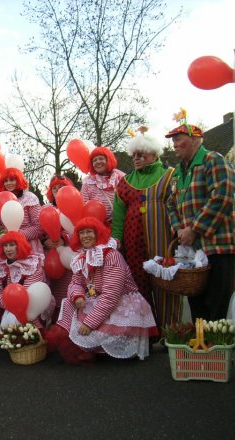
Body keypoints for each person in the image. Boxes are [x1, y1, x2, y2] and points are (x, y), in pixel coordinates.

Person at [46, 217, 158, 366]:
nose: (85, 236)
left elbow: (111, 295)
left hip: (121, 302)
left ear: (98, 233)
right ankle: (85, 346)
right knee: (68, 303)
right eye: (81, 233)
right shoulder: (83, 257)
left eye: (89, 232)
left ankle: (103, 348)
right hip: (97, 298)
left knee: (97, 325)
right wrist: (77, 296)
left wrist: (89, 323)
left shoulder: (112, 256)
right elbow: (75, 282)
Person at [165, 122, 235, 321]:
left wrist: (194, 229)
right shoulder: (177, 173)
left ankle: (215, 342)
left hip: (217, 249)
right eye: (173, 140)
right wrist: (179, 229)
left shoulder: (213, 160)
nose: (174, 144)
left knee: (216, 309)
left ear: (195, 140)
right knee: (197, 310)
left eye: (178, 139)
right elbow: (170, 204)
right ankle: (200, 341)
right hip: (192, 252)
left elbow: (222, 196)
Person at [111, 129, 180, 331]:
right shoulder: (125, 182)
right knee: (139, 284)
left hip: (162, 237)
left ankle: (170, 331)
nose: (136, 159)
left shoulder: (170, 175)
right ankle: (146, 333)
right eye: (133, 155)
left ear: (153, 154)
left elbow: (178, 205)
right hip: (133, 241)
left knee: (165, 281)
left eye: (141, 154)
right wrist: (116, 238)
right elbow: (119, 214)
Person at [0, 231, 54, 328]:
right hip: (11, 306)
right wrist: (10, 306)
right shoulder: (0, 264)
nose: (8, 249)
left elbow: (29, 296)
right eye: (5, 245)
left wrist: (14, 308)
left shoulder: (32, 264)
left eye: (12, 245)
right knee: (10, 323)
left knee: (16, 322)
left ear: (20, 245)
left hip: (33, 307)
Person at [43, 174, 75, 321]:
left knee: (69, 290)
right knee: (55, 290)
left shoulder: (74, 207)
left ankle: (70, 322)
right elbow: (41, 232)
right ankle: (56, 321)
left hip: (69, 255)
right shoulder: (47, 209)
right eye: (54, 188)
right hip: (52, 258)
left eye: (60, 186)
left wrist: (64, 239)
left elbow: (79, 230)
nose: (57, 189)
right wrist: (45, 241)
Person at [0, 167, 44, 253]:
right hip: (8, 247)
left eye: (12, 180)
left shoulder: (29, 198)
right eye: (5, 181)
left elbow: (39, 226)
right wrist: (1, 233)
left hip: (28, 245)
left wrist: (17, 235)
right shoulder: (1, 199)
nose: (8, 183)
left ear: (19, 180)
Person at [80, 146, 125, 223]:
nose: (97, 162)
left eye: (101, 158)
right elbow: (83, 207)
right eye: (94, 160)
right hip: (98, 225)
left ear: (108, 160)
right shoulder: (88, 183)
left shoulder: (120, 177)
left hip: (120, 224)